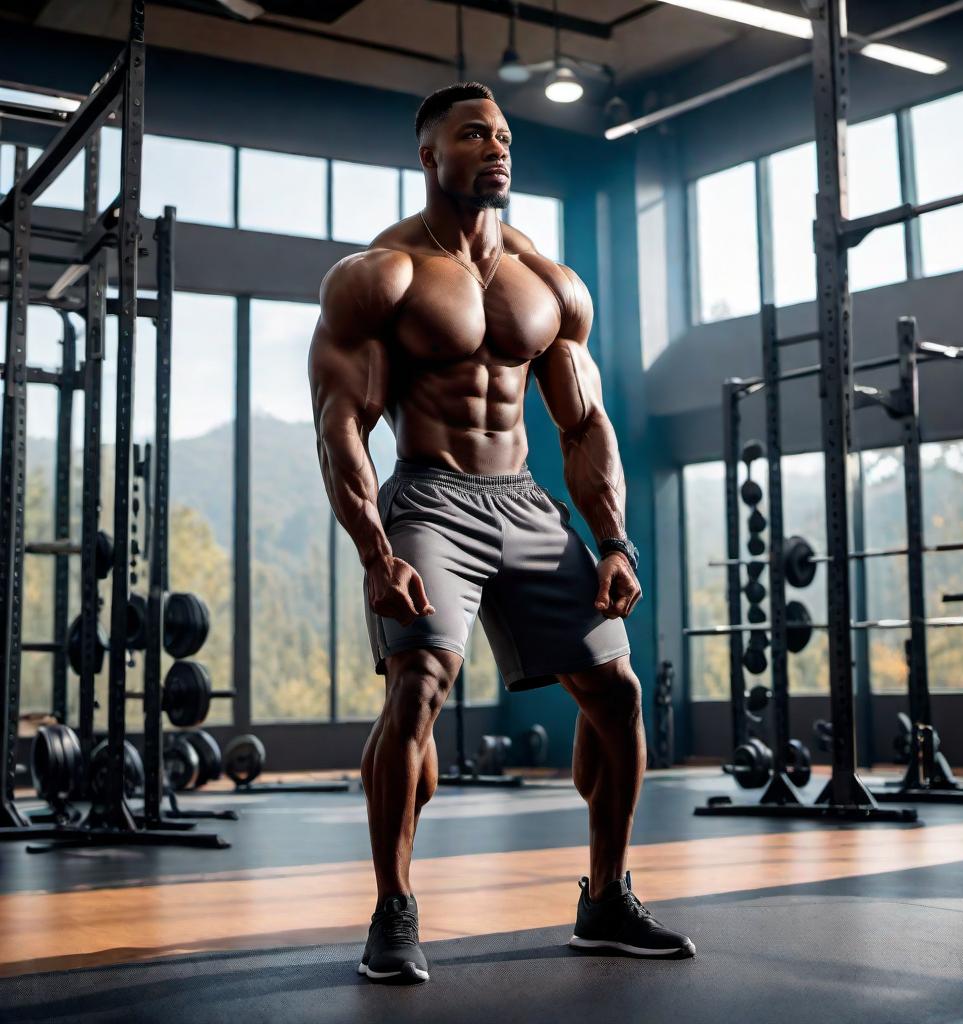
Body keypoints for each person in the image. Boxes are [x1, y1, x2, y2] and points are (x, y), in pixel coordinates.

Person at [309, 82, 694, 986]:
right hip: (432, 501)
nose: (496, 148)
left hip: (524, 503)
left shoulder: (546, 284)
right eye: (473, 133)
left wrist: (613, 541)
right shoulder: (382, 274)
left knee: (619, 694)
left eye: (505, 136)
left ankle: (605, 898)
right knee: (418, 690)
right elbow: (340, 424)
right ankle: (394, 910)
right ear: (428, 154)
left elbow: (584, 423)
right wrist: (376, 551)